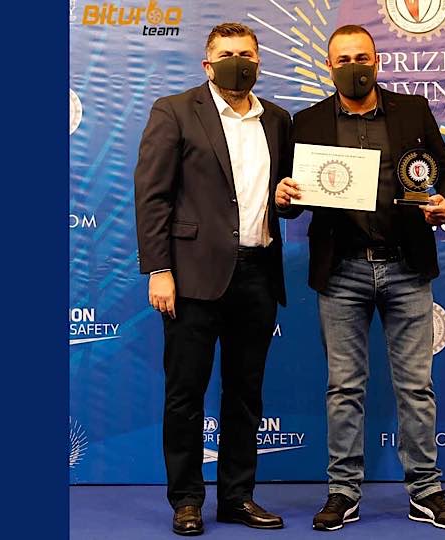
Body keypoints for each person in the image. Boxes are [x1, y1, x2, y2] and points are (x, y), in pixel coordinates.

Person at [275, 24, 445, 531]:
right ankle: (343, 492)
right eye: (343, 60)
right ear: (328, 66)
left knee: (416, 387)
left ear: (377, 61)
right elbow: (291, 200)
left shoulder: (413, 111)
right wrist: (284, 198)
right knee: (344, 388)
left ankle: (425, 490)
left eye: (362, 57)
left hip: (407, 266)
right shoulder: (307, 122)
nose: (354, 67)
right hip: (342, 271)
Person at [134, 22, 292, 536]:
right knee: (186, 393)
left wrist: (289, 199)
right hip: (190, 277)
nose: (237, 62)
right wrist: (159, 269)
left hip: (259, 273)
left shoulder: (278, 120)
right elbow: (152, 196)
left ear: (259, 62)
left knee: (246, 394)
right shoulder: (175, 110)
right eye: (226, 54)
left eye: (246, 53)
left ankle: (237, 497)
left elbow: (287, 198)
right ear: (207, 64)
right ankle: (186, 500)